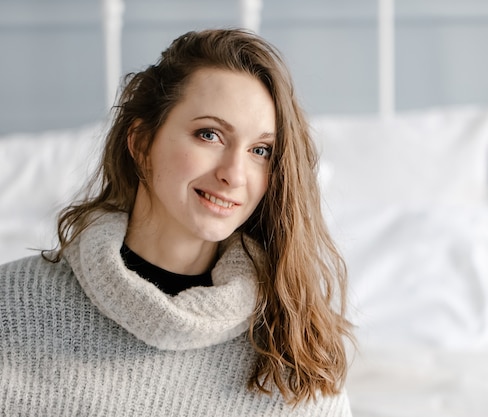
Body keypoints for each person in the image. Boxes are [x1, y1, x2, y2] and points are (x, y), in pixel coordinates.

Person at [0, 29, 353, 416]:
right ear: (140, 142)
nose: (234, 174)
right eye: (209, 134)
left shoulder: (297, 351)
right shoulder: (12, 306)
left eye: (260, 150)